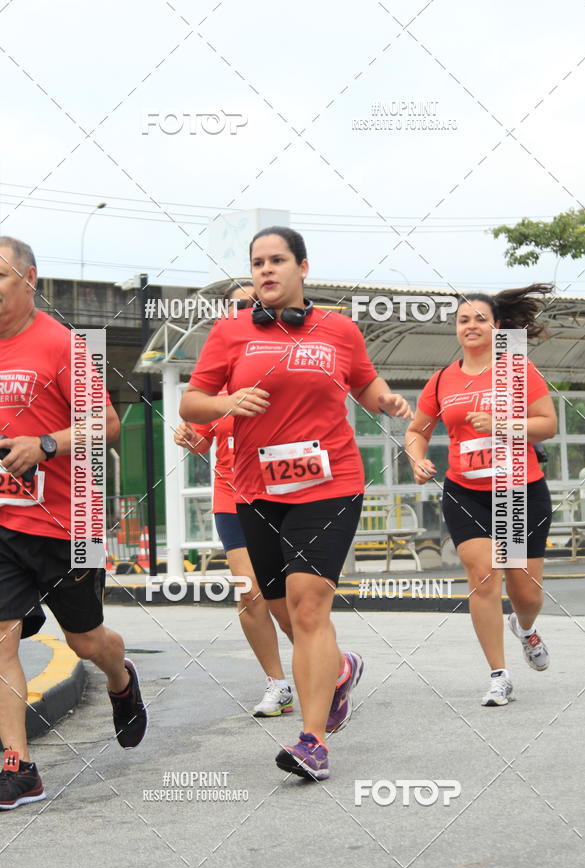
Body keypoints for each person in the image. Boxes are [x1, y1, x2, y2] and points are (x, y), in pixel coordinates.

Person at [180, 226, 412, 780]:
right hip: (256, 488)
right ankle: (337, 670)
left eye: (277, 260)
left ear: (302, 267)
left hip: (328, 483)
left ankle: (312, 741)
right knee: (277, 604)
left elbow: (366, 385)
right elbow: (192, 400)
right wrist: (226, 401)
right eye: (257, 262)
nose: (266, 270)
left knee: (309, 606)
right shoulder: (231, 331)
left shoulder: (339, 329)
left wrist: (388, 400)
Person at [0, 237, 147, 810]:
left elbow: (106, 425)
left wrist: (45, 444)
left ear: (29, 279)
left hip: (72, 520)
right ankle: (19, 765)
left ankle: (121, 676)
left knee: (86, 640)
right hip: (5, 522)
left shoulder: (64, 346)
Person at [405, 284, 556, 706]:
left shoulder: (518, 370)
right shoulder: (441, 380)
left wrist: (503, 425)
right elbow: (417, 430)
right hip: (466, 491)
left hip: (518, 489)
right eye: (463, 319)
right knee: (483, 577)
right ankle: (498, 674)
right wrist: (416, 458)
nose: (471, 325)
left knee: (526, 593)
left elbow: (547, 424)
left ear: (498, 326)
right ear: (456, 329)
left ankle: (525, 628)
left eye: (480, 319)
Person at [175, 280, 295, 717]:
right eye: (238, 307)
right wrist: (191, 436)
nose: (246, 311)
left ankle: (328, 666)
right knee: (249, 591)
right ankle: (277, 683)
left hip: (288, 494)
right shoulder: (219, 372)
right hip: (233, 497)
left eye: (254, 305)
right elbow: (202, 438)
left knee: (289, 598)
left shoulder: (292, 360)